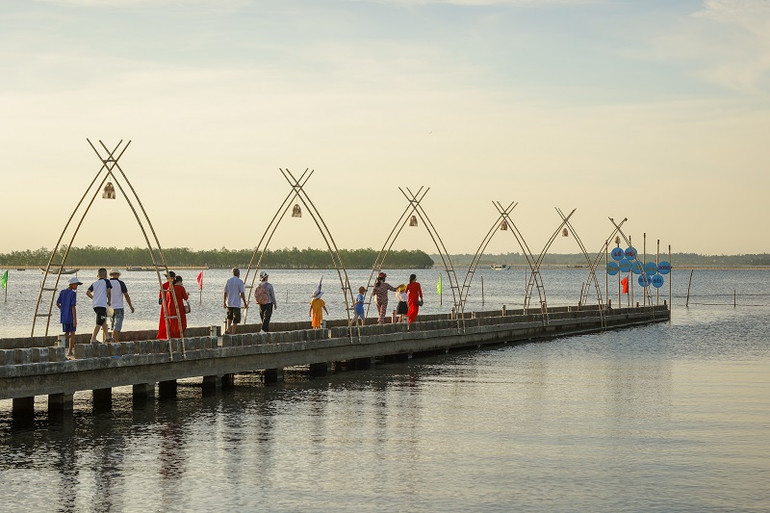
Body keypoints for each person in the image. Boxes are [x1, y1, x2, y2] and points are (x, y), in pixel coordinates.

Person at [57, 276, 81, 358]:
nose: (77, 286)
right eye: (76, 285)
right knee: (72, 334)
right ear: (72, 284)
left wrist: (63, 309)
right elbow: (73, 306)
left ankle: (60, 348)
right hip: (70, 316)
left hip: (64, 316)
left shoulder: (62, 292)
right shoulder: (73, 294)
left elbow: (57, 303)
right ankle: (70, 351)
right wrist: (75, 319)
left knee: (66, 333)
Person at [108, 269, 135, 342]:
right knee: (118, 326)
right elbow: (126, 295)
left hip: (109, 308)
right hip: (119, 307)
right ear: (118, 275)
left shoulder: (107, 283)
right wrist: (131, 306)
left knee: (113, 326)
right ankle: (113, 340)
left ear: (111, 275)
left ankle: (115, 341)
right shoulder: (121, 283)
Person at [86, 267, 112, 343]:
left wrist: (93, 298)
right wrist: (109, 301)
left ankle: (107, 336)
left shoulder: (95, 283)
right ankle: (93, 338)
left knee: (103, 319)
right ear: (106, 275)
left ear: (98, 275)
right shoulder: (106, 281)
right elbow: (109, 292)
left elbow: (87, 292)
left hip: (95, 305)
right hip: (102, 304)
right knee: (99, 321)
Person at [223, 268, 247, 334]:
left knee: (229, 317)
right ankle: (233, 332)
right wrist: (245, 303)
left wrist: (224, 302)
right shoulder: (240, 281)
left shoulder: (228, 281)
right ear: (238, 274)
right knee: (236, 319)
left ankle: (228, 329)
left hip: (229, 302)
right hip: (236, 303)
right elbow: (242, 293)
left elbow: (225, 292)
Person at [157, 271, 174, 339]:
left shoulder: (166, 285)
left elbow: (160, 300)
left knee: (165, 321)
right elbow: (160, 299)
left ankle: (164, 335)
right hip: (169, 306)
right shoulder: (171, 285)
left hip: (166, 306)